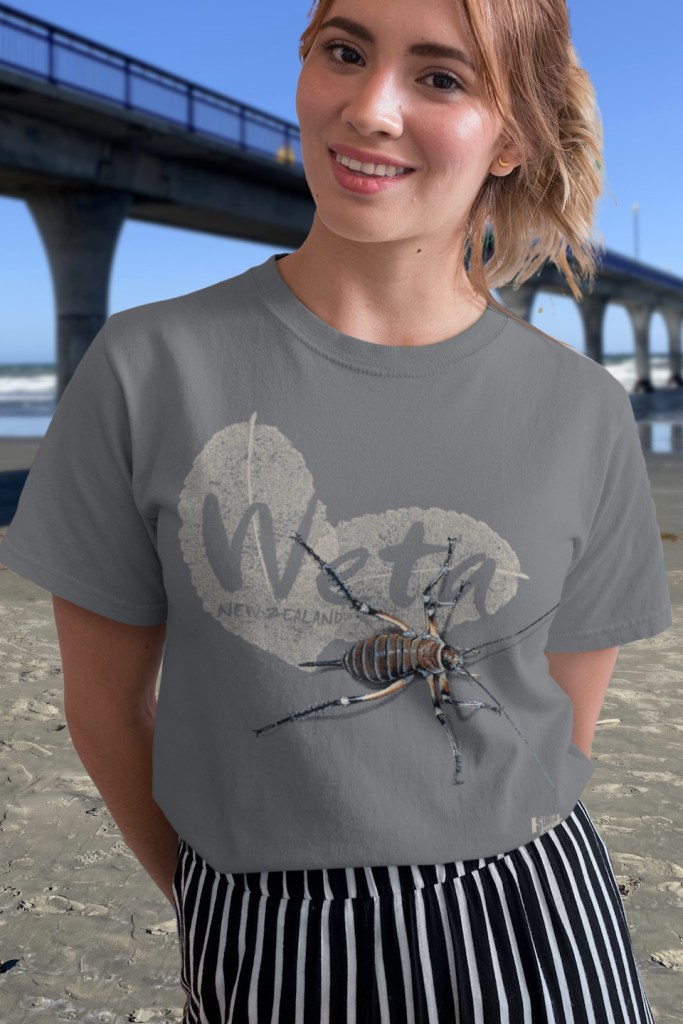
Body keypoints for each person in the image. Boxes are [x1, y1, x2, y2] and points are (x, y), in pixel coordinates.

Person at [0, 0, 672, 1020]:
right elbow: (104, 712)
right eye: (344, 51)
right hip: (263, 927)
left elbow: (556, 737)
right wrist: (222, 897)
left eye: (440, 77)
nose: (370, 108)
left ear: (514, 138)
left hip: (537, 916)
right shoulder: (143, 368)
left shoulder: (582, 409)